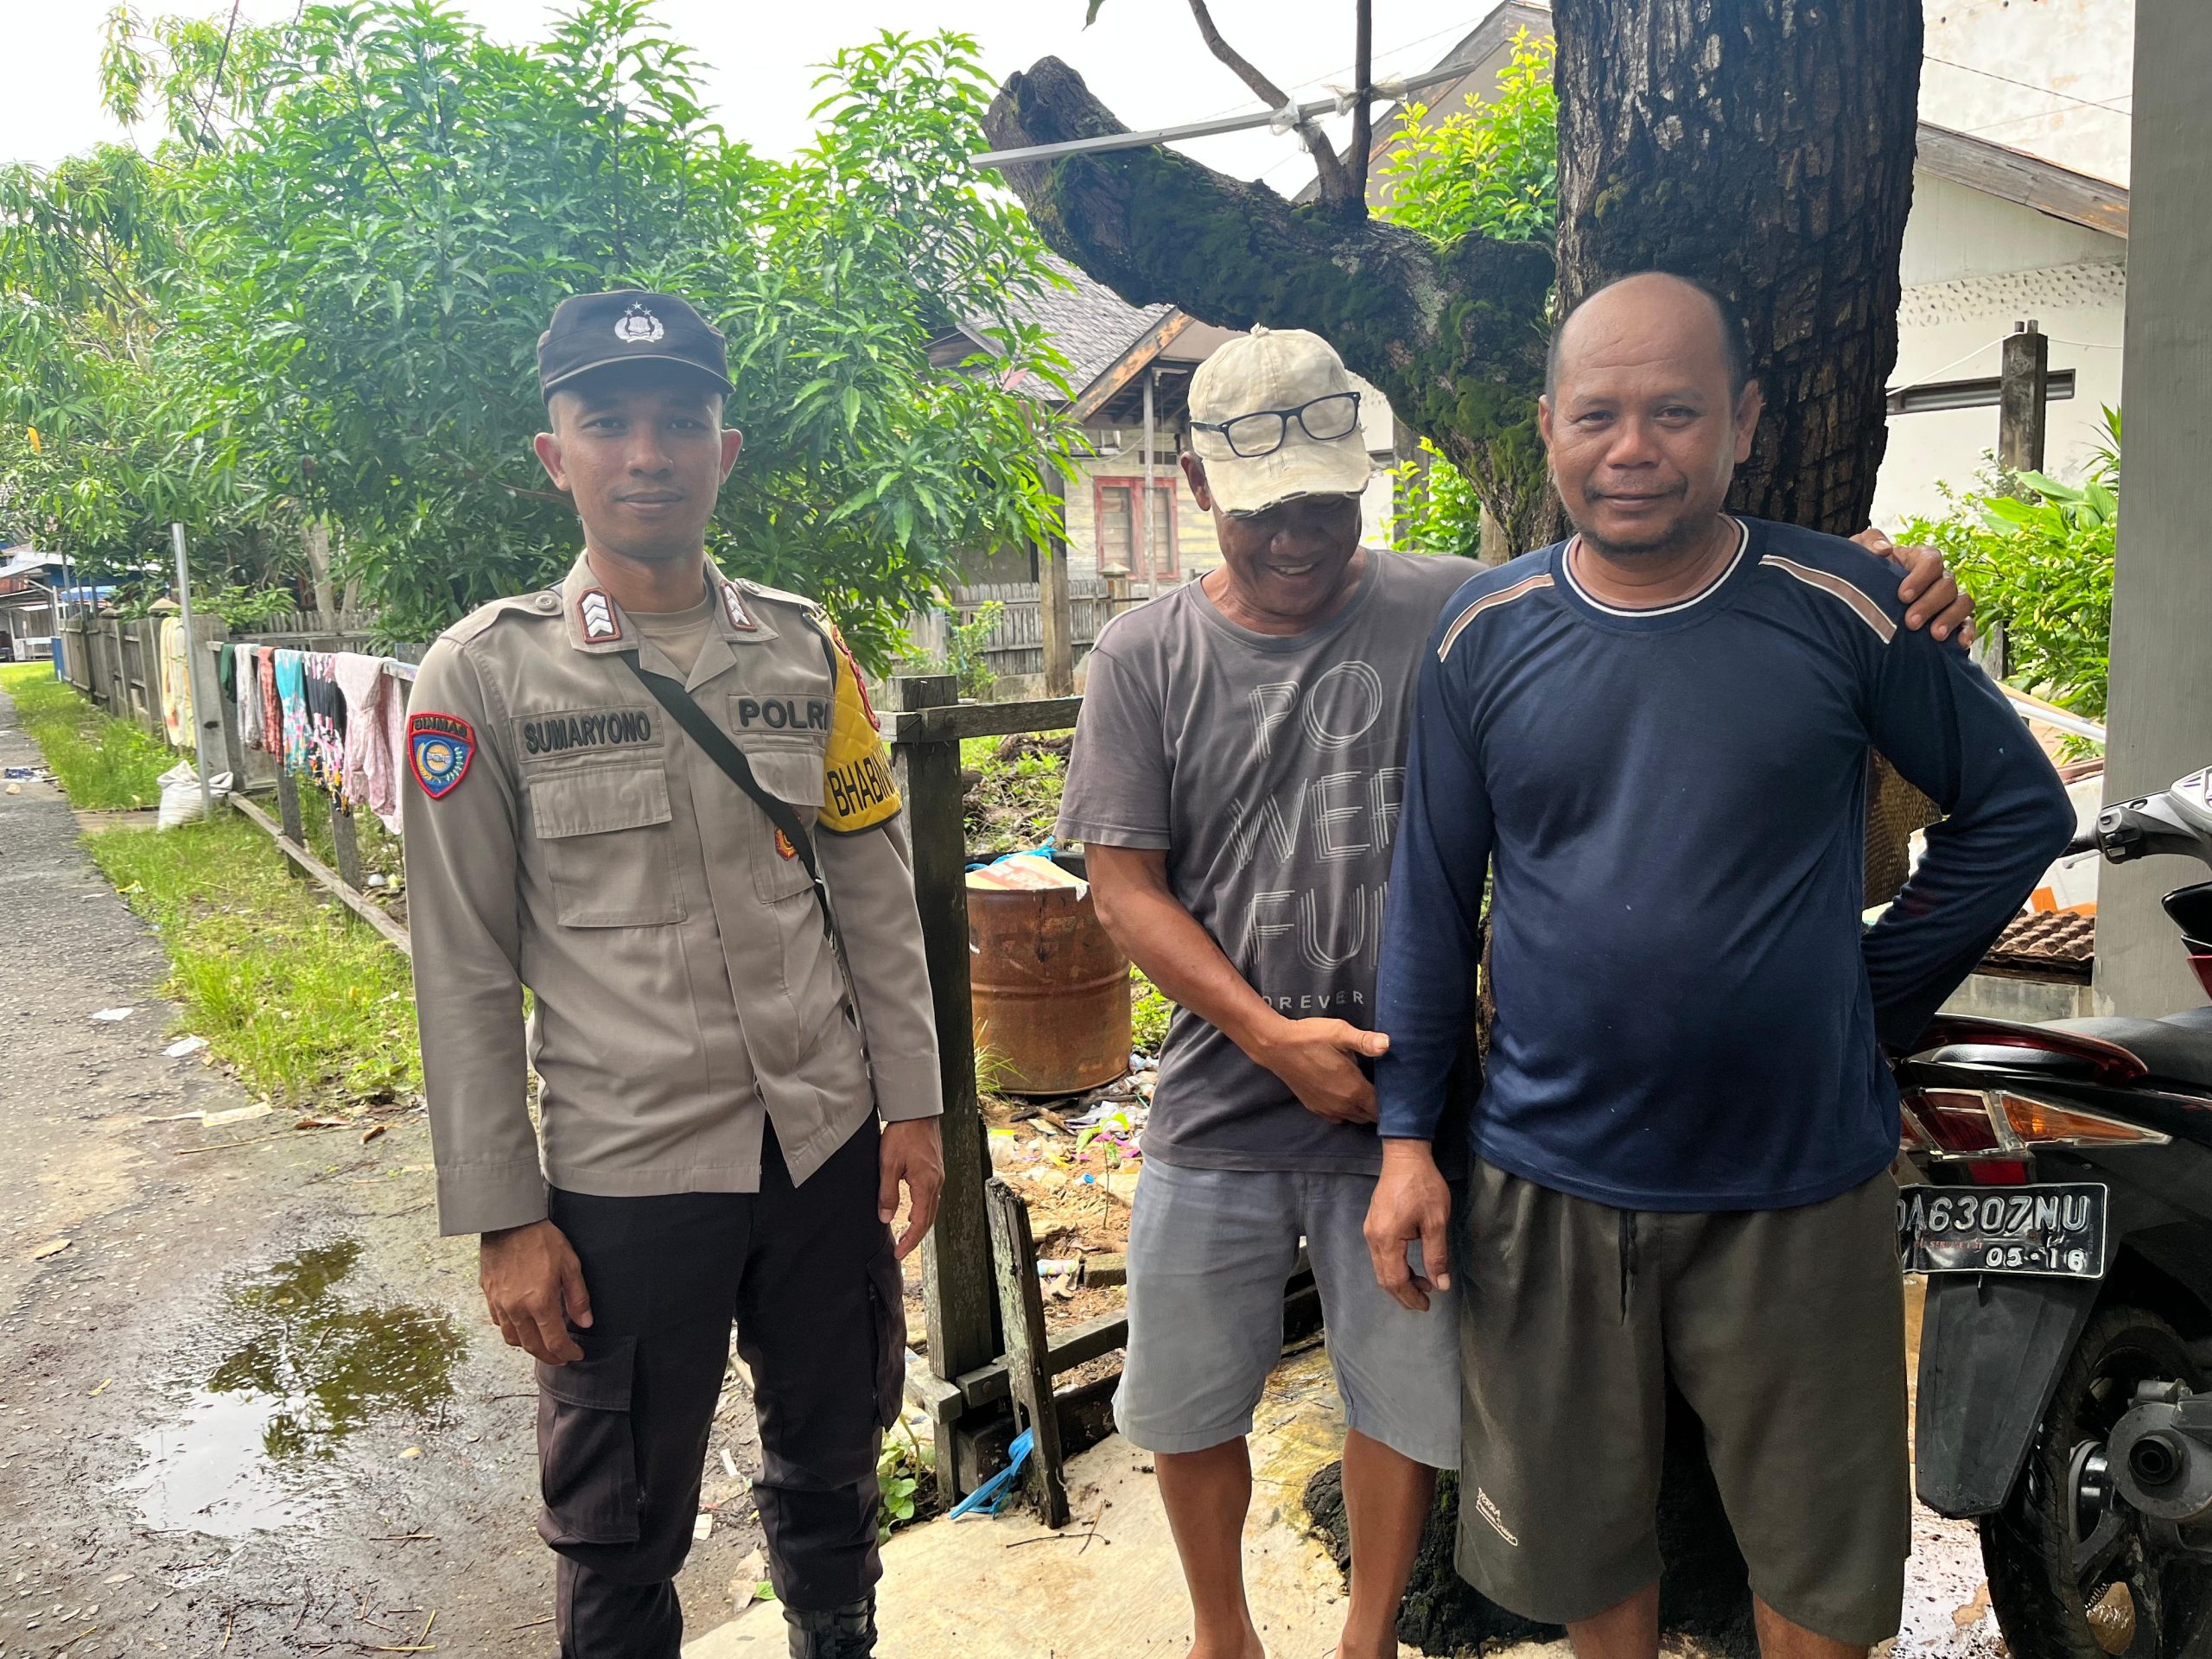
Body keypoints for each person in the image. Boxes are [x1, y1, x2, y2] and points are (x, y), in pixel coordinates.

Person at [1057, 325, 1976, 1659]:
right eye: (1264, 514)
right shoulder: (1144, 656)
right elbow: (1124, 887)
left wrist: (1899, 579)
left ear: (1362, 477)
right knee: (1190, 1401)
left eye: (1323, 501)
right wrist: (1268, 1039)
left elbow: (1630, 582)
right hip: (1219, 1101)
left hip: (1417, 1106)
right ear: (1202, 493)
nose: (1297, 537)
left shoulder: (1458, 604)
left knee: (1402, 1395)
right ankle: (1221, 1634)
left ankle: (1367, 1638)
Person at [1367, 271, 2076, 1659]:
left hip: (1799, 1188)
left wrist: (1867, 999)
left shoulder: (1849, 606)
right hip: (1552, 1184)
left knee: (1818, 1569)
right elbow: (1431, 905)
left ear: (1743, 422)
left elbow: (2019, 814)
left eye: (1677, 411)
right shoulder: (1480, 638)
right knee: (1589, 1549)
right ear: (1549, 427)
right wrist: (1407, 1142)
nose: (1634, 447)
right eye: (1600, 414)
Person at [403, 289, 945, 1659]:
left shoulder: (808, 653)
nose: (645, 452)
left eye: (677, 424)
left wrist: (920, 1109)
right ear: (556, 454)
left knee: (831, 1464)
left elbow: (875, 897)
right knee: (618, 1533)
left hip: (819, 1152)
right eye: (608, 423)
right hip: (625, 1180)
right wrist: (501, 1217)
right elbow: (459, 969)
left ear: (725, 448)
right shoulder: (481, 677)